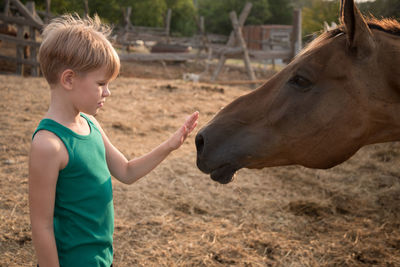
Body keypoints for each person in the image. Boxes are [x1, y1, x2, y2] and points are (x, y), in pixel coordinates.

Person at [28, 14, 199, 267]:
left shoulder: (91, 125)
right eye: (101, 83)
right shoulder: (48, 145)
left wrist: (169, 146)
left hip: (101, 259)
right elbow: (41, 226)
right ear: (69, 79)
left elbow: (127, 171)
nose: (108, 92)